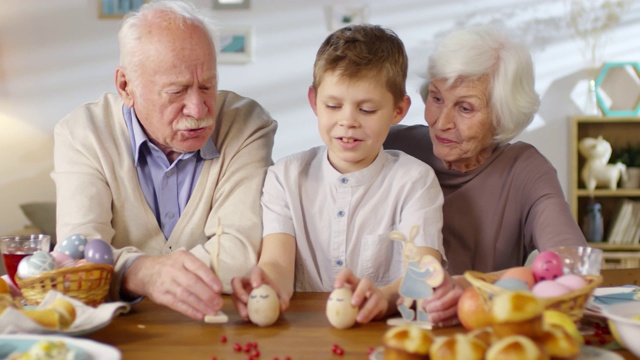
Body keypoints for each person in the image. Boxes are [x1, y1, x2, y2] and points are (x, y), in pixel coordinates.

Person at [51, 0, 277, 321]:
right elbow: (77, 258)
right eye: (176, 91)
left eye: (207, 86)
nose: (198, 109)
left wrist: (122, 270)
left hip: (216, 326)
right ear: (126, 87)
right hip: (119, 333)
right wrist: (142, 273)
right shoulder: (82, 133)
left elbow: (239, 255)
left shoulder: (248, 125)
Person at [231, 24, 459, 326]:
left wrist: (386, 297)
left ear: (398, 109)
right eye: (333, 106)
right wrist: (265, 281)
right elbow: (277, 263)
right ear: (314, 102)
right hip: (302, 334)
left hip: (382, 333)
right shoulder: (284, 178)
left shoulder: (415, 181)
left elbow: (422, 269)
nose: (347, 121)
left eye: (366, 110)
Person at [384, 27, 587, 286]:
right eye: (436, 98)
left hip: (481, 320)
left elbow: (572, 268)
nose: (441, 122)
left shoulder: (525, 171)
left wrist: (459, 287)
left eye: (465, 108)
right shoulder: (391, 145)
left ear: (502, 116)